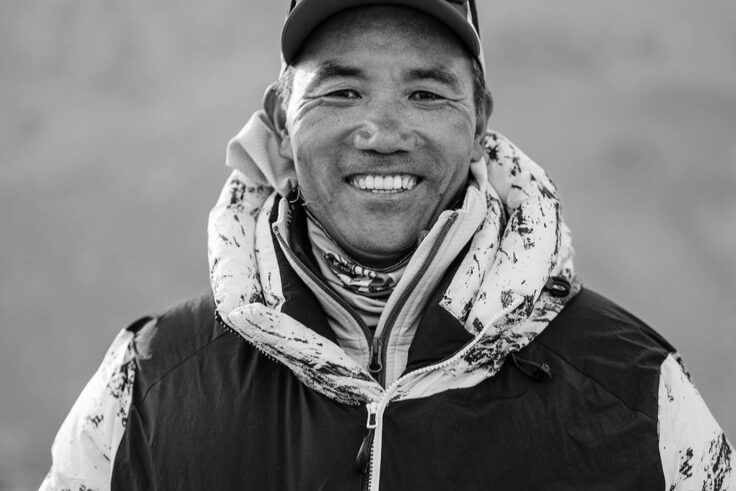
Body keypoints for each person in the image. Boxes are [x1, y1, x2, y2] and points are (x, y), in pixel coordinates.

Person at [42, 1, 734, 490]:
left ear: (480, 120)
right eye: (342, 91)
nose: (381, 132)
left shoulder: (636, 393)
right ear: (281, 120)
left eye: (426, 94)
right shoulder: (148, 389)